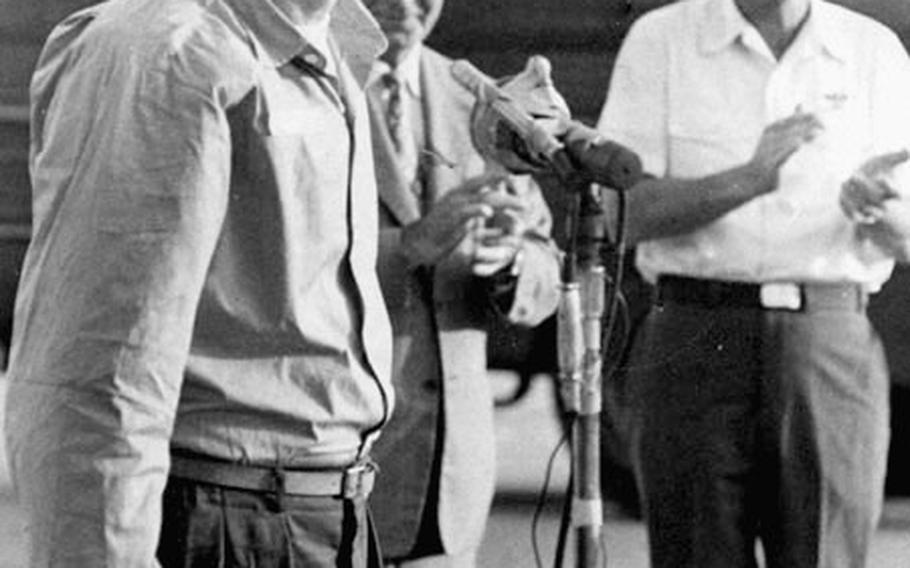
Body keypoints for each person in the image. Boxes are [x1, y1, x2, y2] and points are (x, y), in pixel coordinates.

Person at [5, 0, 396, 565]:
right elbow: (101, 366)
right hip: (225, 522)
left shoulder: (325, 40)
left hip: (318, 515)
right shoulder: (168, 47)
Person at [591, 0, 910, 566]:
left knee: (826, 555)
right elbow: (623, 213)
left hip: (830, 342)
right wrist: (748, 180)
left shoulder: (874, 50)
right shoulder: (663, 38)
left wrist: (881, 212)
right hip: (694, 336)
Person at [359, 0, 562, 565]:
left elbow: (546, 260)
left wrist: (510, 262)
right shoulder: (307, 85)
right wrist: (410, 246)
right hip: (336, 465)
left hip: (448, 479)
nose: (404, 5)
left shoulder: (476, 101)